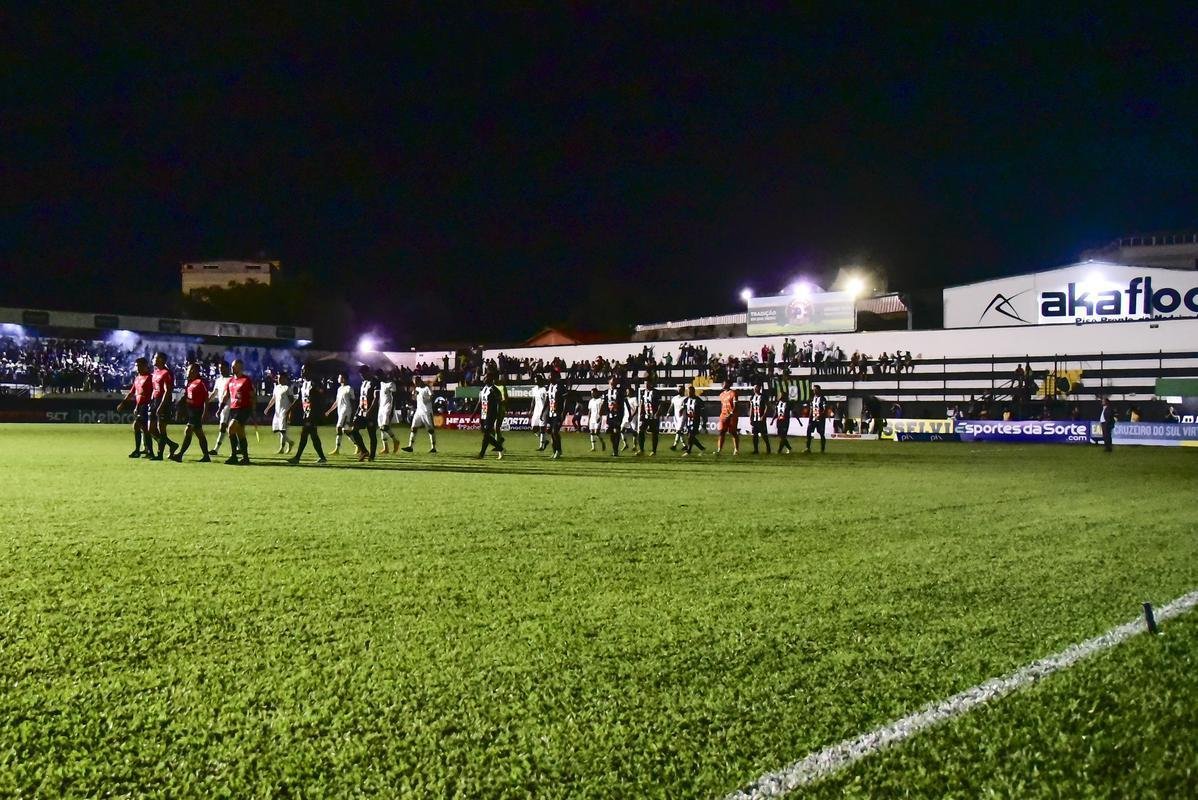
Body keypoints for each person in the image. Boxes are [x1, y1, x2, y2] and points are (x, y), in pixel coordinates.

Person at [169, 362, 211, 462]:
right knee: (199, 434)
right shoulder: (190, 383)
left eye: (188, 369)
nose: (187, 371)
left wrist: (205, 412)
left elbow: (206, 398)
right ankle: (206, 456)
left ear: (194, 371)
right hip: (191, 411)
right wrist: (180, 405)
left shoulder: (200, 383)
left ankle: (180, 455)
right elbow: (188, 397)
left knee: (188, 430)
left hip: (197, 411)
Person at [288, 363, 327, 464]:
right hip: (307, 413)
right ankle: (322, 457)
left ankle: (297, 457)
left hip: (312, 414)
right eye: (302, 370)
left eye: (304, 370)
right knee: (313, 436)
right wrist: (290, 409)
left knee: (304, 434)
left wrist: (318, 390)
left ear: (309, 371)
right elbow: (299, 399)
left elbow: (322, 394)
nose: (302, 372)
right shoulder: (304, 384)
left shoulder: (314, 383)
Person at [116, 357, 154, 458]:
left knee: (138, 426)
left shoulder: (150, 378)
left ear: (145, 366)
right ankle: (149, 451)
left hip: (146, 406)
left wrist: (152, 405)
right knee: (144, 429)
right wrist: (123, 403)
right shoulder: (137, 378)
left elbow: (153, 393)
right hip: (140, 406)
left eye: (139, 366)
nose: (137, 368)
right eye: (137, 366)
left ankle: (140, 451)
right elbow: (132, 392)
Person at [148, 352, 179, 460]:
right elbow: (155, 388)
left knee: (161, 428)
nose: (153, 359)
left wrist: (161, 406)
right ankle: (171, 445)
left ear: (161, 360)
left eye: (155, 357)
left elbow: (168, 391)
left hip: (163, 402)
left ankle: (159, 455)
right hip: (154, 401)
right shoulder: (156, 372)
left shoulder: (166, 373)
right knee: (151, 429)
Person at [225, 358, 255, 465]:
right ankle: (245, 458)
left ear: (240, 367)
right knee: (240, 432)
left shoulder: (246, 380)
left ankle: (233, 456)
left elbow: (252, 396)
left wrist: (253, 410)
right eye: (232, 366)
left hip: (243, 409)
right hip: (233, 409)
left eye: (234, 366)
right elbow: (227, 395)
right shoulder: (230, 381)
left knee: (230, 428)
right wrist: (220, 408)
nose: (232, 368)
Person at [349, 366, 379, 461]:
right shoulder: (364, 383)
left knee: (372, 434)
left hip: (371, 413)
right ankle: (364, 451)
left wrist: (370, 410)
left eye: (363, 374)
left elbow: (376, 398)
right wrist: (357, 411)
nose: (362, 376)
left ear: (368, 372)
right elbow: (362, 398)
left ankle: (372, 456)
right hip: (361, 412)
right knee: (354, 430)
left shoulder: (375, 382)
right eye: (361, 375)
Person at [401, 375, 437, 454]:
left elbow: (432, 396)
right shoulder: (416, 388)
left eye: (416, 382)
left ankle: (433, 448)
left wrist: (427, 399)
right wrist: (413, 396)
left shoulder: (426, 388)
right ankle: (410, 446)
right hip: (418, 411)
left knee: (430, 429)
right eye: (414, 383)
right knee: (413, 428)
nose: (415, 384)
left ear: (419, 380)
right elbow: (414, 398)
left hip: (427, 411)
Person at [262, 370, 296, 454]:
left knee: (282, 430)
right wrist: (267, 408)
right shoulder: (276, 388)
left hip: (284, 411)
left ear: (285, 379)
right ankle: (290, 442)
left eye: (280, 378)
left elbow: (292, 401)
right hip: (277, 412)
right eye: (278, 378)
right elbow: (273, 399)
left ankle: (282, 448)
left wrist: (289, 412)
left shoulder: (287, 388)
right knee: (277, 430)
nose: (279, 379)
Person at [325, 372, 355, 455]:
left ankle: (337, 449)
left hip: (346, 411)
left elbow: (353, 402)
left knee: (338, 428)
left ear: (343, 379)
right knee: (346, 431)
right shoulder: (339, 389)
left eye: (339, 377)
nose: (338, 378)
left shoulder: (349, 388)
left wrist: (352, 415)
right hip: (340, 411)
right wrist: (329, 411)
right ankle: (358, 446)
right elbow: (337, 402)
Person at [207, 360, 232, 456]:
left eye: (222, 368)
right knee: (230, 428)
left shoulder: (232, 379)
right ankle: (239, 448)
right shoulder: (218, 380)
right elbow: (214, 393)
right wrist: (207, 401)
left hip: (229, 406)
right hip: (222, 406)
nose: (221, 370)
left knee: (223, 427)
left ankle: (216, 449)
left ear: (227, 368)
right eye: (219, 368)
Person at [478, 374, 505, 459]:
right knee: (485, 434)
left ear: (490, 378)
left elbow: (499, 402)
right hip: (483, 414)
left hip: (490, 414)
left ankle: (481, 454)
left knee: (486, 435)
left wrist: (498, 414)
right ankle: (499, 446)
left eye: (485, 377)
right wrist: (474, 414)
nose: (484, 378)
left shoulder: (494, 390)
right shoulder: (484, 389)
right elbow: (480, 402)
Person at [545, 371, 568, 459]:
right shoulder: (549, 387)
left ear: (555, 377)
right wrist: (543, 412)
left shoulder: (561, 387)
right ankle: (554, 451)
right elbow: (547, 400)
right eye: (549, 376)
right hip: (550, 412)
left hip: (558, 412)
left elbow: (566, 400)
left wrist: (563, 412)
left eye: (551, 376)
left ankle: (558, 450)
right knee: (550, 432)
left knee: (555, 431)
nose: (549, 377)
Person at [637, 377, 660, 456]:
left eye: (647, 384)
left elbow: (660, 404)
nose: (646, 385)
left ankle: (654, 451)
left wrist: (657, 413)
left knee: (654, 433)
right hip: (645, 416)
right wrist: (641, 413)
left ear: (651, 384)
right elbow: (642, 403)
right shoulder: (643, 392)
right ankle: (641, 450)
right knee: (641, 431)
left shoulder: (656, 392)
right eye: (645, 384)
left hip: (653, 416)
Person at [376, 369, 398, 454]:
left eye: (379, 376)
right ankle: (386, 448)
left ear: (382, 375)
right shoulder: (381, 384)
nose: (378, 378)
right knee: (381, 428)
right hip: (381, 408)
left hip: (388, 408)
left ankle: (395, 441)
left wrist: (392, 410)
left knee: (384, 427)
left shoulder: (391, 384)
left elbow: (394, 397)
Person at [716, 380, 739, 455]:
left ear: (728, 384)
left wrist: (731, 413)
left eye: (724, 383)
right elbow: (722, 405)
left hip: (732, 416)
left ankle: (736, 450)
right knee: (721, 431)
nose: (723, 384)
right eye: (722, 383)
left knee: (733, 432)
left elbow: (736, 405)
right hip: (723, 415)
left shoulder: (733, 393)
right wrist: (722, 414)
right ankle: (719, 450)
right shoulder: (721, 394)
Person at [681, 384, 705, 456]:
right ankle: (702, 448)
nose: (689, 393)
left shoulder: (698, 400)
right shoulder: (686, 400)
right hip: (688, 421)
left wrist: (703, 420)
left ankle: (688, 451)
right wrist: (681, 410)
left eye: (690, 392)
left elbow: (703, 410)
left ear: (693, 392)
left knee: (690, 436)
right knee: (691, 437)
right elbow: (684, 407)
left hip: (695, 421)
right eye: (688, 392)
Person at [604, 375, 625, 455]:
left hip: (618, 415)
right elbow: (604, 403)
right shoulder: (606, 392)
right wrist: (603, 414)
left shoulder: (620, 391)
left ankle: (615, 450)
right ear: (609, 382)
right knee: (611, 433)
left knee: (616, 431)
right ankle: (614, 449)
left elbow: (622, 403)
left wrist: (621, 413)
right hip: (609, 415)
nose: (613, 382)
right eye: (612, 381)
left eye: (615, 381)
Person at [748, 382, 770, 454]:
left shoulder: (763, 396)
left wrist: (763, 416)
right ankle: (756, 450)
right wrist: (750, 417)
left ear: (759, 388)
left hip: (761, 418)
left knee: (763, 434)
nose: (755, 389)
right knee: (755, 434)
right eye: (754, 388)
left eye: (756, 387)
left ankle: (768, 448)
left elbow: (767, 406)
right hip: (754, 418)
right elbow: (751, 408)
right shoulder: (752, 397)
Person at [805, 384, 827, 453]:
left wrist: (820, 415)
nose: (814, 391)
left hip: (820, 419)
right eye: (813, 390)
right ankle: (808, 448)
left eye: (815, 389)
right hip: (813, 419)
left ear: (819, 390)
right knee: (808, 432)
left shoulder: (823, 399)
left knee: (821, 434)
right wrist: (810, 418)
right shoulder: (812, 399)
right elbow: (811, 409)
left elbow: (825, 409)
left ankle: (822, 449)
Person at [530, 375, 549, 451]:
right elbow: (533, 400)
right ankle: (545, 441)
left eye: (536, 380)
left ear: (540, 380)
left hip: (544, 410)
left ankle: (541, 446)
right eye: (535, 380)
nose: (535, 381)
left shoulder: (545, 389)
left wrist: (543, 411)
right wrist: (531, 410)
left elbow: (547, 401)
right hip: (536, 411)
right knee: (534, 428)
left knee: (542, 428)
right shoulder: (534, 389)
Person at [669, 384, 687, 450]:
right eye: (678, 389)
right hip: (676, 417)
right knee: (679, 431)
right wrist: (668, 412)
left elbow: (686, 406)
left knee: (679, 430)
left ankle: (674, 445)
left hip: (682, 416)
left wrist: (682, 409)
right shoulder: (674, 398)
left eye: (680, 389)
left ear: (683, 390)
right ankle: (685, 445)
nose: (679, 390)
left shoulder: (686, 398)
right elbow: (671, 406)